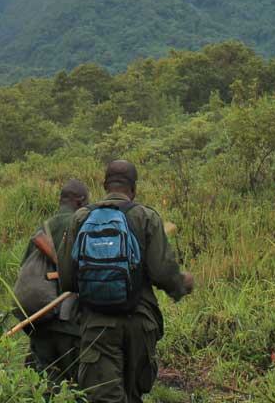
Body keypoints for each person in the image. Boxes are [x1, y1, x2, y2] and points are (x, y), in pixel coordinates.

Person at [56, 160, 194, 403]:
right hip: (140, 324)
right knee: (132, 394)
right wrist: (182, 284)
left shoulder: (81, 218)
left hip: (97, 326)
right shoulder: (147, 217)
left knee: (104, 397)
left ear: (104, 184)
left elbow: (66, 278)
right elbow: (163, 273)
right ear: (134, 188)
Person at [21, 178, 90, 387]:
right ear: (80, 202)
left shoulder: (43, 228)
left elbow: (25, 268)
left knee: (44, 388)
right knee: (77, 388)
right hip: (70, 325)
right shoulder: (84, 226)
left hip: (39, 320)